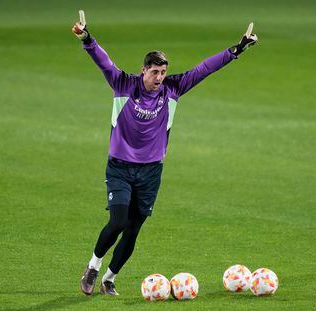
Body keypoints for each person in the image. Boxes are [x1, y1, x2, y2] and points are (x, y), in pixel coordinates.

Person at [72, 12, 258, 296]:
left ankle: (109, 278)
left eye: (163, 72)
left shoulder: (173, 88)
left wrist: (236, 50)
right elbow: (102, 61)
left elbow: (203, 69)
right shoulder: (123, 84)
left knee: (133, 230)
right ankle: (93, 266)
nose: (160, 77)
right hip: (120, 167)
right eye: (155, 72)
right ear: (143, 70)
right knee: (118, 221)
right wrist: (87, 38)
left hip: (150, 171)